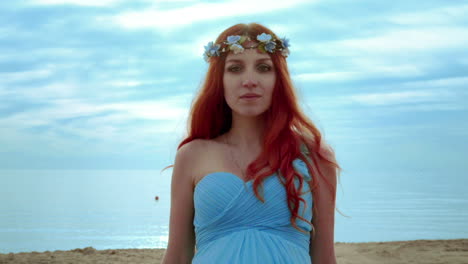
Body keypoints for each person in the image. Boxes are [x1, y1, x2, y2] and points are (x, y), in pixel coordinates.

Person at [161, 22, 341, 264]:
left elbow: (324, 259)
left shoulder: (313, 154)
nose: (249, 80)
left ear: (279, 79)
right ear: (220, 80)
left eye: (263, 67)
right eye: (235, 68)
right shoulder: (192, 155)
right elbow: (178, 256)